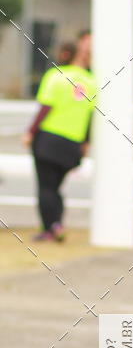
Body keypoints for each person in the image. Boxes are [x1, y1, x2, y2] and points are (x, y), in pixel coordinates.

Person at [23, 30, 96, 241]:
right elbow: (90, 116)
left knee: (46, 187)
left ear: (65, 54)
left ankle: (50, 228)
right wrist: (85, 142)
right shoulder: (90, 81)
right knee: (56, 187)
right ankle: (58, 225)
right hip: (73, 142)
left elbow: (45, 108)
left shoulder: (55, 76)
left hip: (49, 139)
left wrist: (30, 132)